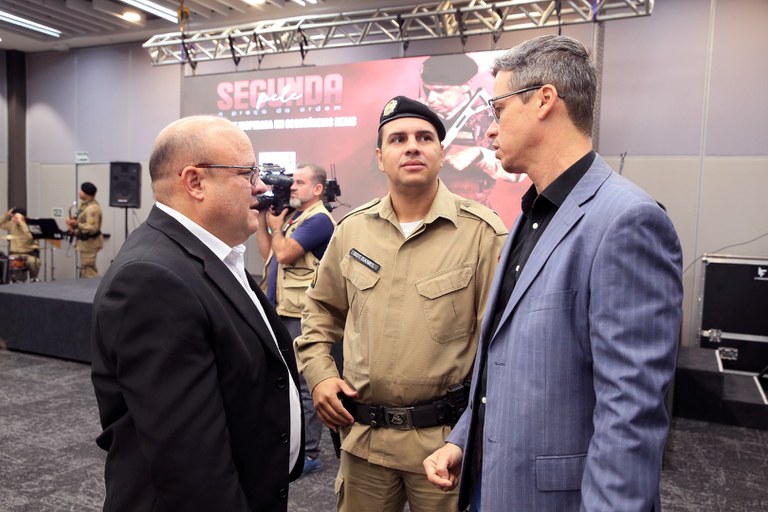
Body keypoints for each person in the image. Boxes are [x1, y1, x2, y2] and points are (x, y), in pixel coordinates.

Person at [423, 35, 683, 512]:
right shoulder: (532, 214)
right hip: (493, 484)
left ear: (544, 100)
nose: (490, 130)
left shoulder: (627, 221)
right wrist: (464, 439)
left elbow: (630, 413)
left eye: (499, 110)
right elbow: (510, 364)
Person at [295, 96, 508, 512]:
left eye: (424, 138)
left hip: (444, 447)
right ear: (380, 157)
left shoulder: (483, 234)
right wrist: (320, 376)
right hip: (364, 443)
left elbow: (500, 348)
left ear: (441, 153)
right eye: (398, 139)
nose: (412, 147)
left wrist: (471, 434)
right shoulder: (352, 230)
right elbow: (320, 312)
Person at [90, 115, 304, 512]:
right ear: (195, 182)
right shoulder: (152, 279)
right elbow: (191, 464)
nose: (261, 186)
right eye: (248, 173)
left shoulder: (208, 256)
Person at [256, 163, 336, 476]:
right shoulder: (296, 218)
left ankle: (310, 453)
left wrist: (277, 229)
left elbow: (285, 254)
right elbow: (269, 254)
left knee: (304, 385)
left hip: (301, 315)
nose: (292, 186)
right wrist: (264, 221)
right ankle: (291, 447)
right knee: (285, 383)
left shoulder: (318, 220)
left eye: (300, 182)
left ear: (317, 189)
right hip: (283, 311)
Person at [420, 54, 528, 208]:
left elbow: (517, 172)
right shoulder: (419, 117)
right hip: (427, 209)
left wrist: (480, 156)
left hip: (473, 212)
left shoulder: (491, 116)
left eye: (440, 91)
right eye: (427, 91)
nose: (430, 99)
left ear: (465, 86)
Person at [65, 181, 103, 277]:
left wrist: (77, 224)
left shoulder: (92, 209)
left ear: (87, 193)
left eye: (81, 191)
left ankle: (94, 286)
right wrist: (74, 226)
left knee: (89, 270)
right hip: (85, 243)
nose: (79, 192)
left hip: (90, 243)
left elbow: (93, 228)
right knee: (85, 269)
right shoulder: (85, 205)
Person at [1, 207, 41, 281]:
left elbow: (30, 237)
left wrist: (21, 223)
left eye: (16, 217)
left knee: (35, 262)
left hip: (28, 254)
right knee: (3, 261)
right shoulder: (12, 224)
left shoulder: (31, 225)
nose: (14, 219)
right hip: (14, 254)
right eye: (13, 217)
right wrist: (6, 215)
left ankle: (34, 280)